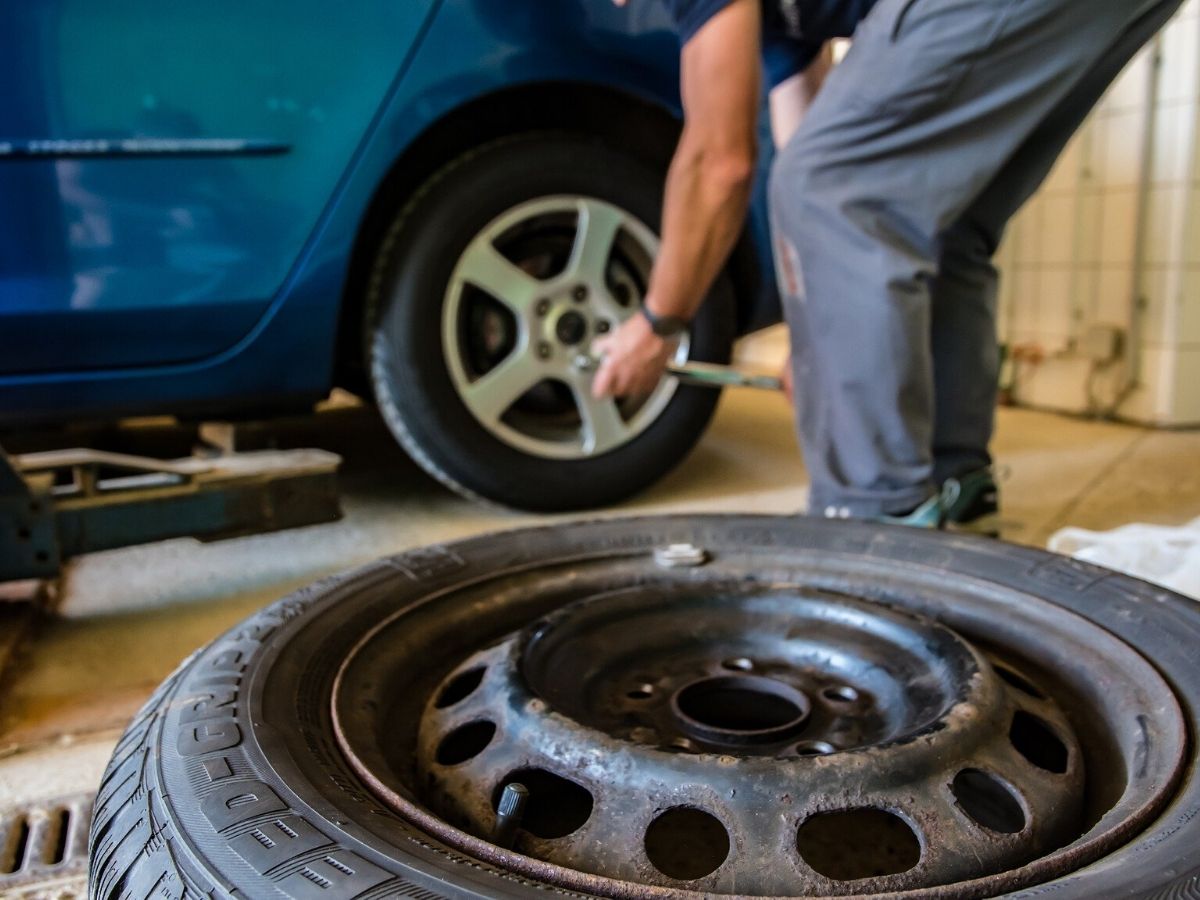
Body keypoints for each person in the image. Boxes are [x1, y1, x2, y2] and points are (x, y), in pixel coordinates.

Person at [593, 0, 1180, 529]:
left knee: (838, 190)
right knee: (936, 218)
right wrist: (818, 345)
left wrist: (659, 324)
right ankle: (958, 495)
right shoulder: (773, 20)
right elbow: (807, 170)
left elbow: (719, 161)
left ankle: (875, 523)